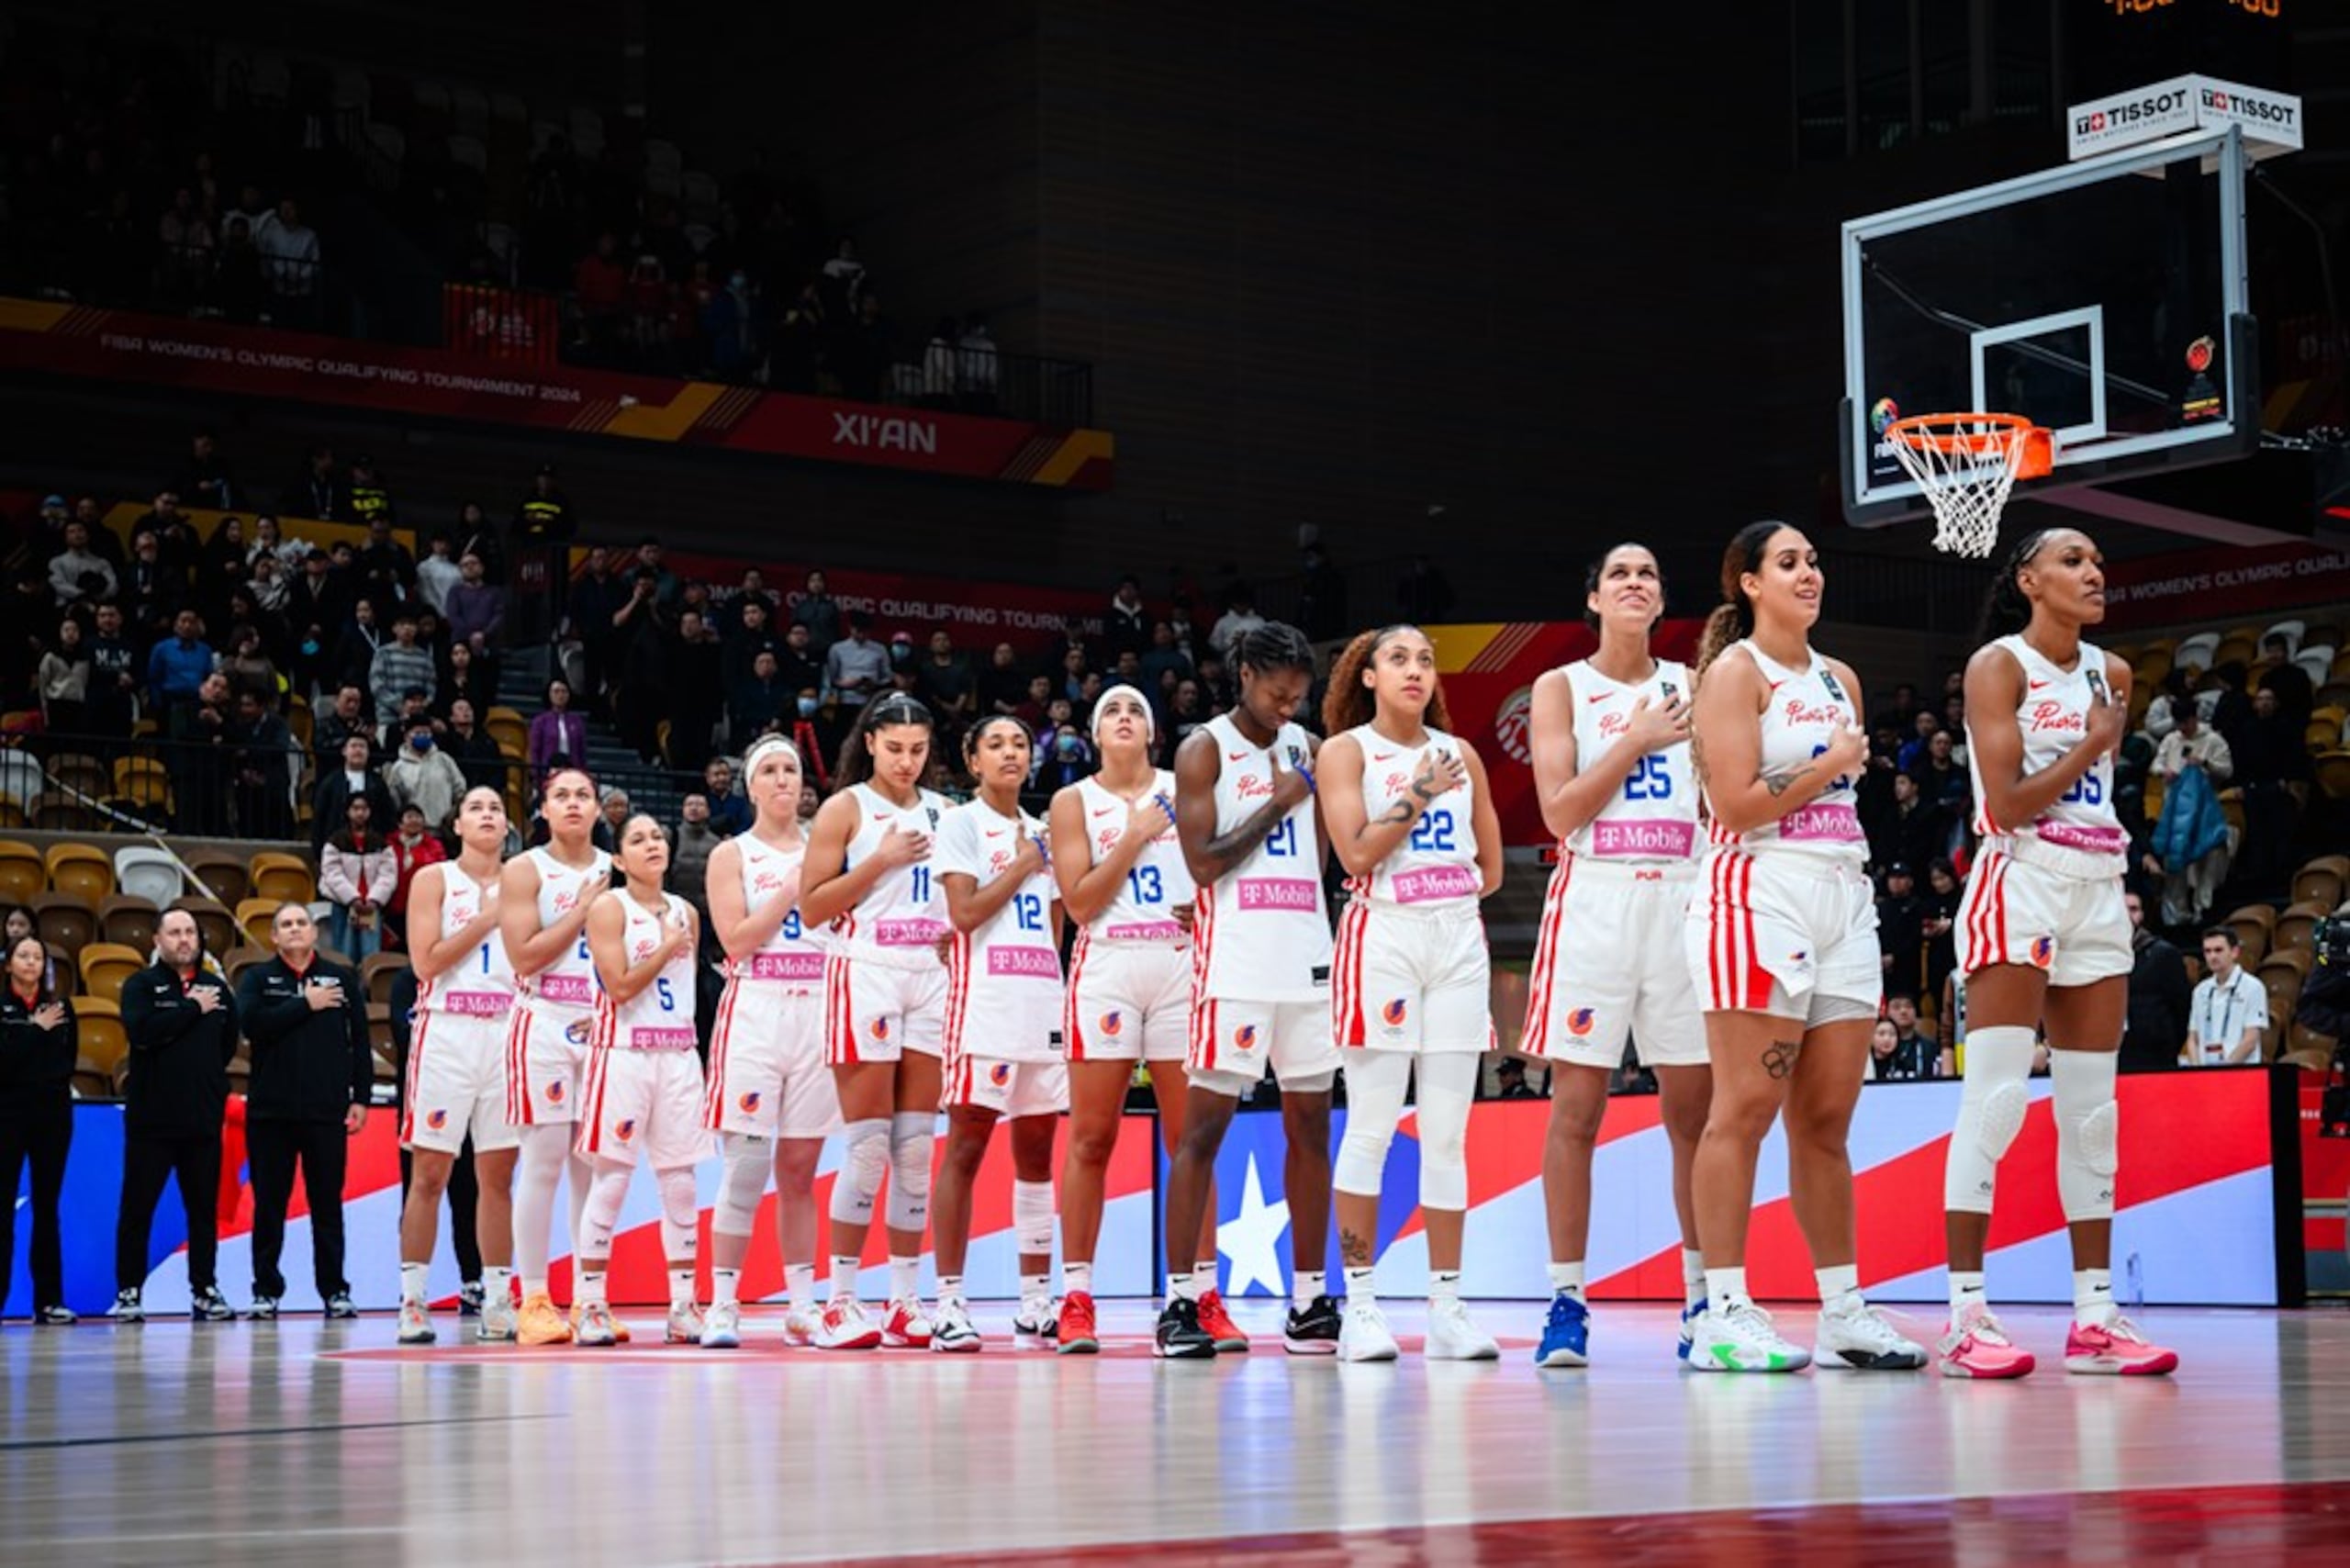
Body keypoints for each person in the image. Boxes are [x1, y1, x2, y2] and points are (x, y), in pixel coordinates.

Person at [1682, 521, 1921, 1373]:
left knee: (1825, 1122)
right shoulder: (1733, 675)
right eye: (1789, 563)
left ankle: (1844, 1310)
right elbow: (1739, 804)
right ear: (1749, 583)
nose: (1809, 573)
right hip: (1758, 892)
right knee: (1744, 1108)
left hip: (1841, 892)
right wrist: (1829, 763)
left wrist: (1831, 773)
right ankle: (1725, 1311)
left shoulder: (1839, 676)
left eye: (1814, 561)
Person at [1939, 528, 2175, 1377]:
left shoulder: (2111, 672)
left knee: (2092, 1116)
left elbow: (2089, 788)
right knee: (1996, 1102)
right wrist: (2088, 744)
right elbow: (2003, 805)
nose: (2094, 573)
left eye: (2100, 562)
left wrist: (2094, 744)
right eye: (2073, 561)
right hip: (2020, 879)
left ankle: (2096, 1316)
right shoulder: (1998, 666)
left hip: (2095, 883)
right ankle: (1967, 1315)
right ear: (2030, 581)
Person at [1518, 544, 1711, 1368]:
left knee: (1694, 1117)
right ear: (1593, 596)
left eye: (1651, 575)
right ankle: (1566, 1302)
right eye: (1621, 574)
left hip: (1685, 894)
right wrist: (1631, 741)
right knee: (1576, 1112)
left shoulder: (1698, 686)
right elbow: (1560, 813)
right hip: (1595, 899)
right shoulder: (1561, 688)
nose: (1637, 583)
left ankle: (1709, 1297)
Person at [1315, 625, 1505, 1361]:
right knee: (1372, 1125)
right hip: (1383, 935)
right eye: (1398, 659)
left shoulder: (1463, 754)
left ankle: (1448, 1307)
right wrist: (1419, 794)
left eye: (1426, 660)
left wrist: (1443, 878)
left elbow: (1490, 868)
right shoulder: (1347, 751)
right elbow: (1356, 851)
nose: (1415, 670)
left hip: (1457, 935)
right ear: (1366, 675)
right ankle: (1360, 1305)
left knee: (1449, 1131)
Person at [1156, 623, 1342, 1359]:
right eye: (1276, 692)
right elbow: (1203, 865)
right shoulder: (1203, 748)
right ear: (1243, 675)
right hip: (1234, 963)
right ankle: (1179, 1303)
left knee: (1311, 1130)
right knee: (1202, 1134)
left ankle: (1306, 1302)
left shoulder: (1313, 746)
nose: (1289, 705)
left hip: (1307, 959)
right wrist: (1281, 800)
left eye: (1299, 693)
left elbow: (1321, 858)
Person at [1047, 685, 1230, 1355]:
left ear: (1151, 732)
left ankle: (1202, 1294)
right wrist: (1130, 839)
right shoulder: (1073, 803)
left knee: (1192, 1143)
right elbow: (1081, 901)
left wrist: (1204, 909)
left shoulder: (1188, 788)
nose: (1123, 719)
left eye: (1135, 713)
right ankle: (1077, 1297)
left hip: (1182, 965)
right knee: (1091, 1139)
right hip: (1108, 970)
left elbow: (1221, 874)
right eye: (1111, 714)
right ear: (1095, 735)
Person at [798, 693, 955, 1350]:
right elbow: (810, 907)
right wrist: (879, 859)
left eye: (917, 749)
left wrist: (957, 933)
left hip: (930, 973)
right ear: (870, 743)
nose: (907, 761)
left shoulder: (948, 812)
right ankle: (837, 1301)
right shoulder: (846, 808)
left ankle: (902, 1299)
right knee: (866, 1150)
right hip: (864, 969)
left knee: (916, 1150)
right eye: (895, 748)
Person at [917, 718, 1069, 1351]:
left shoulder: (1046, 830)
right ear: (972, 760)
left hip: (1041, 1005)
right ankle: (949, 1301)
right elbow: (965, 914)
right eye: (997, 744)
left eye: (1020, 744)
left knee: (1036, 1157)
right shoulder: (961, 823)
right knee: (967, 1150)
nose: (1011, 753)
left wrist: (1037, 856)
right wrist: (1025, 865)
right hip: (984, 1007)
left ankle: (1035, 1301)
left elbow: (1057, 928)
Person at [698, 736, 840, 1348]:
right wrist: (793, 886)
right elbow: (735, 941)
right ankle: (723, 1302)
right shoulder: (732, 854)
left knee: (803, 1169)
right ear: (751, 786)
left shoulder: (829, 849)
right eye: (771, 772)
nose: (783, 780)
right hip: (756, 1008)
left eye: (792, 770)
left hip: (818, 1009)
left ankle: (802, 1303)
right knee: (748, 1165)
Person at [574, 814, 711, 1346]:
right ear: (618, 859)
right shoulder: (609, 907)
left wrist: (672, 942)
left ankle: (682, 1305)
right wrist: (663, 947)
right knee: (612, 1181)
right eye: (638, 839)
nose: (652, 844)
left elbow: (684, 992)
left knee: (680, 1183)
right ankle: (590, 1306)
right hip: (624, 1055)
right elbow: (621, 988)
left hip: (677, 1055)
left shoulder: (686, 912)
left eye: (658, 836)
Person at [396, 789, 520, 1345]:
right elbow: (425, 962)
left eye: (496, 808)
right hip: (447, 1029)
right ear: (459, 823)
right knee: (429, 1175)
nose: (488, 815)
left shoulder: (528, 881)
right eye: (477, 808)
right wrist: (490, 917)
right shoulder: (435, 879)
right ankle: (413, 1300)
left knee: (497, 1179)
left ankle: (497, 1297)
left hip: (508, 1031)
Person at [498, 768, 613, 1346]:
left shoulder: (616, 871)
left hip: (598, 1027)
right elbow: (524, 956)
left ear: (598, 808)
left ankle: (590, 1297)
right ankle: (535, 1297)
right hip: (542, 1022)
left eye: (582, 796)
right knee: (542, 1162)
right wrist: (582, 909)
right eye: (561, 796)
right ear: (542, 809)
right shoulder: (524, 870)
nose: (573, 804)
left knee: (590, 1167)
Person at [237, 904, 370, 1318]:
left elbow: (360, 1042)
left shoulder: (341, 979)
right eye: (286, 925)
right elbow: (252, 1026)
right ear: (274, 937)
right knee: (270, 1205)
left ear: (314, 933)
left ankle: (334, 1290)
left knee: (327, 1204)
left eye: (301, 923)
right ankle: (266, 1290)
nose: (295, 930)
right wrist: (305, 1004)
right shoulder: (258, 979)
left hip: (325, 1111)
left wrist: (360, 1097)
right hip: (270, 1114)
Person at [110, 910, 241, 1323]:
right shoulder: (141, 985)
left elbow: (226, 1046)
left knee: (202, 1210)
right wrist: (189, 1009)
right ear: (157, 940)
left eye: (190, 932)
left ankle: (204, 1288)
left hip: (201, 1120)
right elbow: (142, 1032)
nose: (184, 939)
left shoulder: (217, 989)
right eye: (175, 933)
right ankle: (129, 1291)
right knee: (137, 1208)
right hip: (152, 1120)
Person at [0, 935, 76, 1323]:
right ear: (9, 964)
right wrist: (33, 1030)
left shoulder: (61, 1008)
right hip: (7, 1116)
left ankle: (49, 1300)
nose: (31, 963)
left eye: (37, 957)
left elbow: (66, 1062)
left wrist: (34, 1035)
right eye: (23, 956)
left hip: (52, 1117)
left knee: (47, 1208)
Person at [2121, 890, 2192, 1071]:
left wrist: (2164, 1040)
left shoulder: (2164, 954)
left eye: (2134, 909)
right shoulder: (2101, 956)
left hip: (2156, 1055)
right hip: (2116, 1053)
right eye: (2122, 909)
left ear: (2142, 915)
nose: (2127, 915)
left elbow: (2182, 1006)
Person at [320, 796, 397, 961]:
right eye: (355, 808)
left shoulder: (380, 843)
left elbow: (388, 874)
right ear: (348, 812)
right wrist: (351, 897)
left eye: (364, 809)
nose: (360, 813)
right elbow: (332, 872)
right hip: (343, 904)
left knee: (370, 953)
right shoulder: (336, 841)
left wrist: (374, 899)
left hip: (371, 906)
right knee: (343, 952)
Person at [2185, 926, 2267, 1067]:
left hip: (2241, 1072)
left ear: (2234, 952)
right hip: (2206, 1075)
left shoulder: (2253, 987)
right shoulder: (2200, 991)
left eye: (2218, 950)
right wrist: (2197, 1070)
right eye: (2208, 951)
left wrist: (2224, 1070)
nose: (2213, 956)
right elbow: (2193, 1038)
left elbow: (2250, 1040)